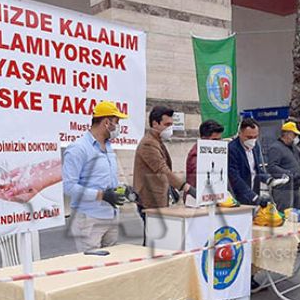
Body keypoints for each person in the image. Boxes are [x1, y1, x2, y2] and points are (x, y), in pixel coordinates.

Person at [63, 101, 127, 252]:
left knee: (113, 261)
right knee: (92, 263)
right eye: (117, 122)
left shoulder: (108, 147)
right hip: (89, 219)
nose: (119, 127)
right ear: (106, 123)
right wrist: (102, 195)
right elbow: (68, 187)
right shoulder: (78, 148)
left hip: (111, 215)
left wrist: (123, 188)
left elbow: (105, 180)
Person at [133, 106, 196, 235]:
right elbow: (162, 169)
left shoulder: (157, 141)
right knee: (153, 239)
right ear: (155, 124)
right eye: (167, 124)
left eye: (171, 124)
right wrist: (185, 187)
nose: (170, 128)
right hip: (150, 200)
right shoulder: (148, 144)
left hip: (158, 199)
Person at [228, 118, 279, 206]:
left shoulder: (255, 147)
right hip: (239, 197)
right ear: (240, 133)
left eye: (255, 137)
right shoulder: (232, 149)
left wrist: (269, 179)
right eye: (249, 137)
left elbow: (256, 169)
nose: (252, 140)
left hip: (254, 193)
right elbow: (234, 176)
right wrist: (253, 196)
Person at [267, 121, 300, 211]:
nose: (296, 137)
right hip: (283, 190)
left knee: (296, 214)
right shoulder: (276, 148)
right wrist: (289, 174)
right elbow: (272, 167)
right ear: (287, 134)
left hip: (295, 187)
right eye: (294, 134)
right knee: (285, 213)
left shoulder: (293, 148)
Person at [186, 119, 225, 188]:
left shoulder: (215, 153)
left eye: (220, 139)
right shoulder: (196, 155)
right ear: (204, 138)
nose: (218, 143)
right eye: (215, 140)